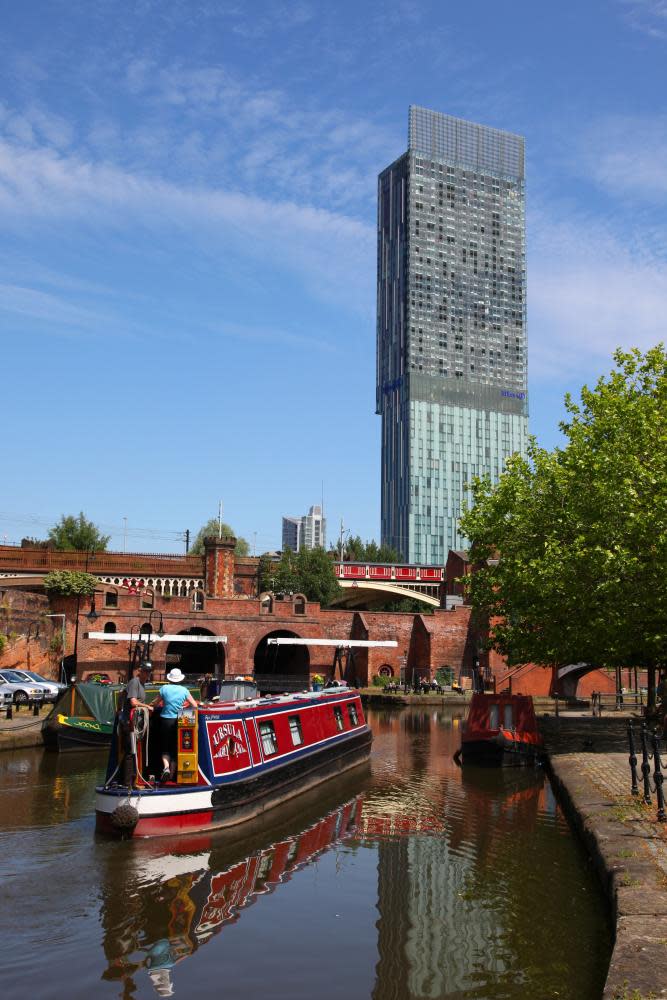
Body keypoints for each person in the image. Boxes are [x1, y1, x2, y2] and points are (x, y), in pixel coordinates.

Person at [151, 668, 198, 783]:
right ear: (180, 679)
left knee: (165, 748)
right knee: (177, 748)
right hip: (180, 721)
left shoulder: (164, 688)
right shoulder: (184, 690)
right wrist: (184, 708)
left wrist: (148, 706)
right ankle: (173, 775)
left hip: (165, 721)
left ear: (170, 679)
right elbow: (194, 705)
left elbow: (155, 703)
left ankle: (166, 768)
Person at [119, 661, 154, 786]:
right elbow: (133, 702)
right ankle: (128, 783)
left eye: (149, 672)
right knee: (130, 752)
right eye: (145, 671)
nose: (147, 674)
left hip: (136, 724)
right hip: (130, 724)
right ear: (140, 670)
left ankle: (135, 779)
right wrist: (147, 707)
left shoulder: (142, 684)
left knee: (135, 751)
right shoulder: (135, 682)